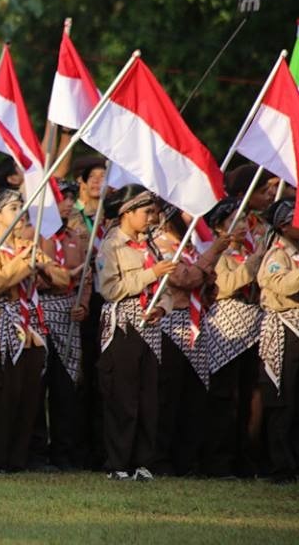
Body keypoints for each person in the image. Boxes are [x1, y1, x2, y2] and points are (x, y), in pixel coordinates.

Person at [0, 189, 67, 473]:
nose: (20, 213)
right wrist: (25, 263)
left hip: (33, 327)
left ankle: (19, 459)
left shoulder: (30, 246)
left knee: (30, 396)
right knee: (6, 394)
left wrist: (43, 265)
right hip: (4, 327)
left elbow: (63, 278)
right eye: (13, 208)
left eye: (22, 207)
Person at [95, 185, 175, 481]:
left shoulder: (151, 244)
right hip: (123, 327)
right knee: (122, 397)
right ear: (126, 213)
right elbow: (110, 289)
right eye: (147, 212)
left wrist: (162, 308)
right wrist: (150, 275)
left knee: (148, 398)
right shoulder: (111, 245)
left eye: (153, 211)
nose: (152, 218)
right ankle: (118, 463)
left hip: (151, 328)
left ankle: (143, 462)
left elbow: (164, 290)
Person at [151, 205, 227, 476]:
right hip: (172, 325)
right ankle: (161, 459)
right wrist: (214, 252)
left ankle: (187, 459)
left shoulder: (189, 248)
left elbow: (207, 283)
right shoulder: (161, 244)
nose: (193, 217)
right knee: (169, 395)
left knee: (193, 394)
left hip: (196, 323)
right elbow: (184, 278)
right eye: (185, 212)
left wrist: (207, 276)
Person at [201, 197, 264, 477]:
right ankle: (218, 461)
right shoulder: (219, 255)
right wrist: (254, 263)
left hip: (253, 327)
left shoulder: (250, 250)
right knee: (223, 397)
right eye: (233, 220)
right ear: (218, 227)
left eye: (243, 219)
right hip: (226, 329)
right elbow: (224, 286)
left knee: (248, 397)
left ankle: (245, 458)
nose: (241, 225)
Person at [38, 180, 91, 469]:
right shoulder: (36, 236)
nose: (69, 204)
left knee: (67, 384)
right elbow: (39, 275)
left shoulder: (76, 236)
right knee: (37, 384)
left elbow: (86, 276)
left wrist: (82, 304)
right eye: (62, 198)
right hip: (40, 310)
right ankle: (36, 450)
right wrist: (62, 276)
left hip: (68, 312)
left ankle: (64, 450)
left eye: (71, 198)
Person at [257, 199, 299, 483]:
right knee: (283, 399)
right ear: (285, 225)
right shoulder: (277, 254)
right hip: (285, 329)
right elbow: (282, 285)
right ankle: (281, 466)